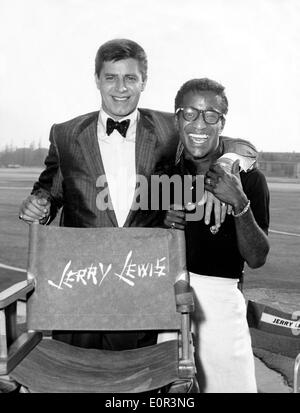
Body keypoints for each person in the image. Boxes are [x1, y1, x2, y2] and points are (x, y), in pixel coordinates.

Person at [19, 39, 258, 351]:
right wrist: (39, 204)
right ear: (97, 80)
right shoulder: (65, 134)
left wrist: (224, 168)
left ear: (144, 81)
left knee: (141, 385)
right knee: (77, 376)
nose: (121, 88)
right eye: (111, 77)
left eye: (130, 78)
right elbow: (50, 189)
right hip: (81, 288)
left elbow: (242, 147)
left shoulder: (170, 129)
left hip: (143, 286)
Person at [163, 78, 270, 392]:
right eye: (190, 114)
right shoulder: (164, 173)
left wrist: (238, 202)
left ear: (222, 122)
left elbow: (257, 257)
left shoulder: (249, 180)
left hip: (221, 303)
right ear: (176, 118)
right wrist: (166, 227)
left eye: (211, 116)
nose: (200, 124)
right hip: (166, 300)